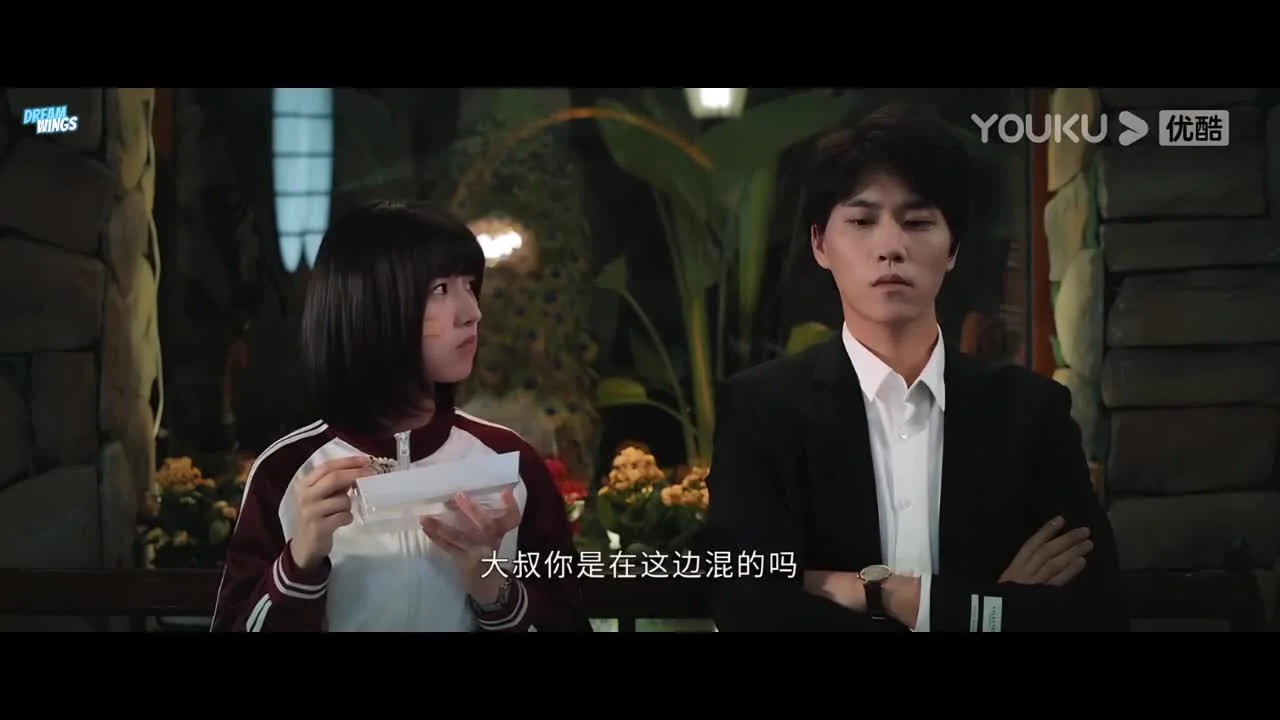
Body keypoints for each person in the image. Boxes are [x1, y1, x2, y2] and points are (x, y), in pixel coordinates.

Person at [703, 105, 1127, 632]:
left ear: (952, 248)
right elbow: (750, 608)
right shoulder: (762, 411)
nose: (891, 247)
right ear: (820, 244)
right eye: (862, 221)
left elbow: (1095, 614)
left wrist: (893, 595)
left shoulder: (1030, 413)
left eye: (918, 222)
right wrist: (984, 608)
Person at [210, 200, 591, 632]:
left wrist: (493, 589)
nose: (472, 312)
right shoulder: (285, 472)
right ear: (368, 306)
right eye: (441, 289)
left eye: (470, 285)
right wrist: (298, 564)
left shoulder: (511, 463)